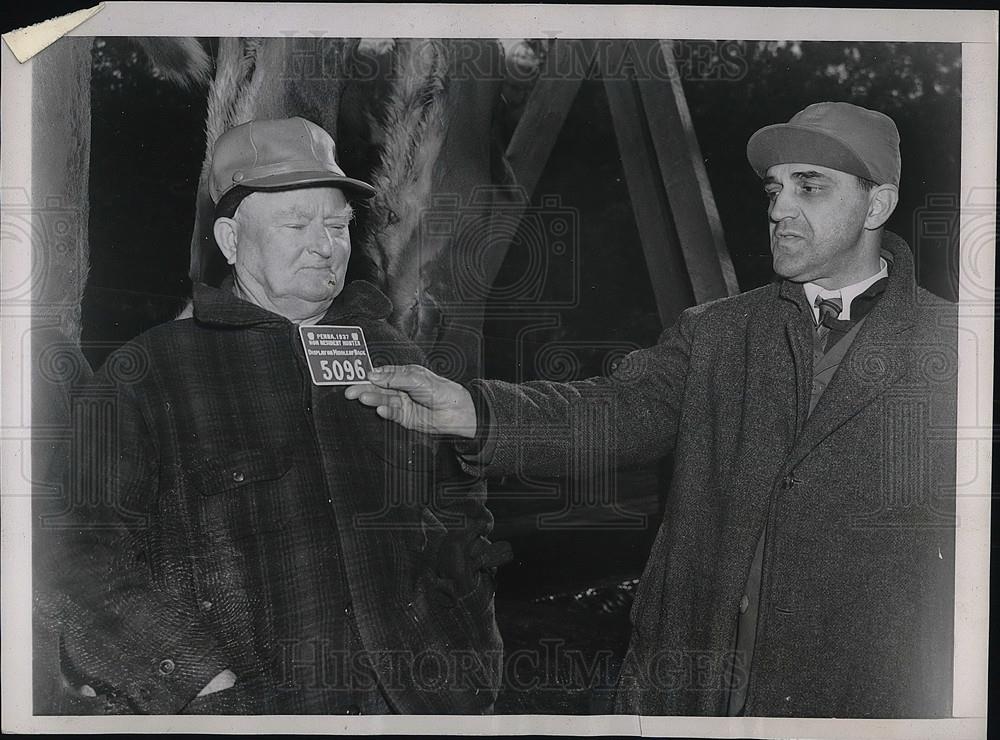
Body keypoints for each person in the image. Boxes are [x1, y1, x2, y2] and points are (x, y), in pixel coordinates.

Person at [345, 102, 958, 718]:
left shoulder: (958, 353)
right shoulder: (720, 333)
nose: (778, 209)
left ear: (876, 205)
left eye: (810, 187)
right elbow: (614, 412)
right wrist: (473, 411)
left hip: (860, 702)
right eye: (774, 189)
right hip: (694, 685)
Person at [37, 117, 509, 715]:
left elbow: (460, 512)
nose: (325, 245)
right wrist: (197, 682)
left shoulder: (388, 352)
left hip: (423, 704)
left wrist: (474, 659)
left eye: (338, 225)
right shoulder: (149, 373)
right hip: (262, 710)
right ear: (232, 241)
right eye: (296, 224)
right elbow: (72, 551)